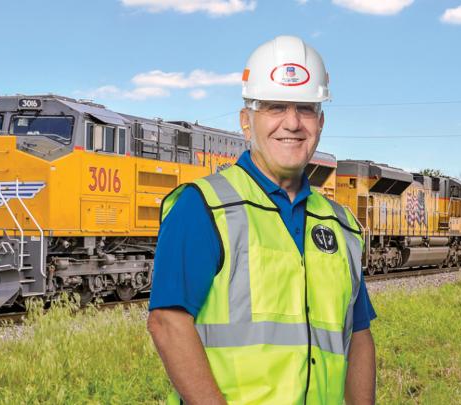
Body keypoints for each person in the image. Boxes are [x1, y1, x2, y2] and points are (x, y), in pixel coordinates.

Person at [147, 36, 377, 405]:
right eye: (274, 107)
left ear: (320, 122)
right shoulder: (203, 206)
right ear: (245, 121)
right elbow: (167, 323)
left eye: (304, 109)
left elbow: (359, 335)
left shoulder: (341, 224)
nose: (292, 123)